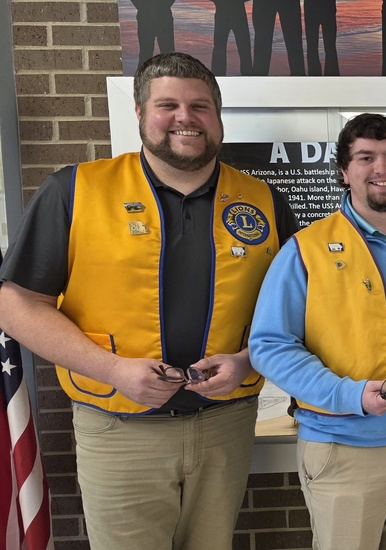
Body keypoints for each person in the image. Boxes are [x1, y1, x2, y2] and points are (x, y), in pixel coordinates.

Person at [0, 52, 299, 549]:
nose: (185, 117)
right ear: (140, 114)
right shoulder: (74, 191)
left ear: (218, 119)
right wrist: (113, 369)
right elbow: (17, 304)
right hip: (118, 428)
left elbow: (295, 308)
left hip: (226, 423)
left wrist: (247, 360)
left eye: (200, 106)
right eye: (168, 105)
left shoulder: (264, 199)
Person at [249, 113, 386, 550]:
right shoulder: (305, 250)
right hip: (343, 450)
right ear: (345, 172)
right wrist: (348, 395)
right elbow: (269, 346)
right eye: (366, 157)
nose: (381, 168)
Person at [210, 0, 253, 75]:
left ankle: (218, 76)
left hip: (230, 13)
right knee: (220, 49)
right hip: (232, 13)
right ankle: (218, 76)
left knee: (244, 49)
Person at [131, 0, 176, 67]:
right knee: (146, 53)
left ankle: (171, 73)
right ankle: (143, 75)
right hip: (150, 16)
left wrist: (143, 7)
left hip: (161, 16)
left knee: (167, 53)